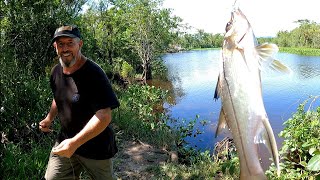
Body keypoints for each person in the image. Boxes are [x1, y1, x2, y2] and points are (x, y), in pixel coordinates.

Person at [39, 25, 120, 180]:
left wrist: (75, 143)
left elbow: (104, 116)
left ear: (80, 44)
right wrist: (49, 118)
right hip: (65, 141)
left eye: (70, 43)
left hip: (96, 147)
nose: (65, 49)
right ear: (55, 47)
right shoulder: (56, 71)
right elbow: (58, 97)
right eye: (60, 44)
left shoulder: (94, 74)